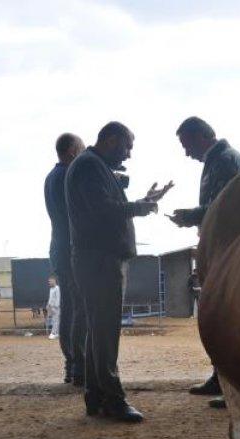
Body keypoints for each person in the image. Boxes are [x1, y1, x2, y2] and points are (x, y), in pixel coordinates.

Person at [65, 121, 171, 422]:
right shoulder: (89, 166)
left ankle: (97, 397)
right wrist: (140, 207)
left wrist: (142, 202)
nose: (128, 155)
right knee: (105, 332)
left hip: (96, 259)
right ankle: (112, 399)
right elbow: (103, 210)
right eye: (127, 147)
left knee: (99, 331)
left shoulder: (92, 165)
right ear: (110, 140)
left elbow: (105, 205)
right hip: (99, 260)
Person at [169, 116, 240, 409]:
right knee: (218, 318)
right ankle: (221, 378)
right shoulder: (218, 160)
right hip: (219, 247)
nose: (186, 152)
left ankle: (235, 384)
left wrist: (191, 216)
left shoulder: (226, 160)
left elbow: (223, 208)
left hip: (228, 250)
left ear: (202, 137)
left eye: (186, 144)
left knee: (227, 319)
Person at [44, 131, 86, 383]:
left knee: (70, 306)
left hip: (59, 247)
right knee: (77, 307)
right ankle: (78, 365)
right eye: (81, 148)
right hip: (71, 249)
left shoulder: (51, 177)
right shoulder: (69, 176)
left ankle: (72, 366)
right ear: (71, 151)